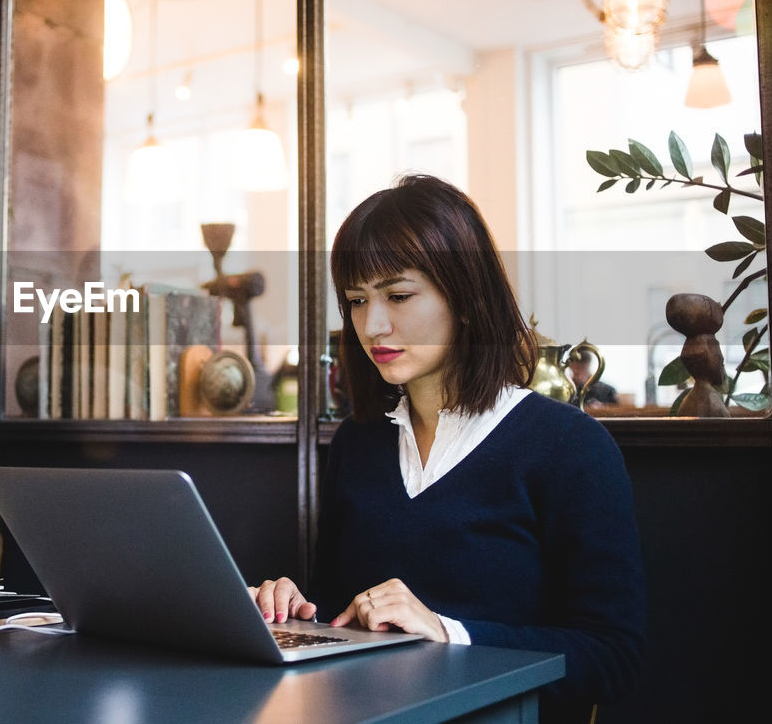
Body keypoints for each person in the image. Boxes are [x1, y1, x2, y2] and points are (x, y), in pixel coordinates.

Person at [250, 176, 644, 723]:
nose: (371, 325)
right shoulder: (359, 443)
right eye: (357, 301)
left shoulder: (569, 447)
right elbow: (343, 615)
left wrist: (447, 632)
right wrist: (295, 611)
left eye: (398, 296)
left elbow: (614, 657)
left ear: (465, 297)